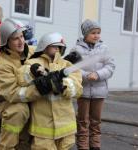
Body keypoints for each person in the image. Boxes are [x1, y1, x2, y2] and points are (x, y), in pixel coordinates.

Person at [17, 32, 83, 150]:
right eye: (54, 46)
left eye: (60, 47)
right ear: (44, 46)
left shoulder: (67, 65)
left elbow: (78, 88)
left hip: (66, 125)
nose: (58, 49)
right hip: (43, 127)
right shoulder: (33, 62)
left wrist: (63, 84)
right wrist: (33, 72)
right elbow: (22, 77)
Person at [69, 19, 115, 150]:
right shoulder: (76, 49)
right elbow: (73, 67)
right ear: (85, 34)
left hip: (99, 93)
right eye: (93, 33)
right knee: (83, 121)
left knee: (96, 121)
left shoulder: (104, 48)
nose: (96, 36)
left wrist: (98, 74)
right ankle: (83, 146)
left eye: (98, 33)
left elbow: (110, 66)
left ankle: (95, 146)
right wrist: (85, 75)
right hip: (83, 92)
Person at [0, 18, 39, 150]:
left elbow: (49, 56)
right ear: (6, 41)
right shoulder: (2, 64)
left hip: (29, 96)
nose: (21, 41)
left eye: (22, 36)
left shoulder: (32, 52)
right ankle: (6, 145)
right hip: (7, 100)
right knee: (19, 111)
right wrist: (38, 90)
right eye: (15, 39)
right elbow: (13, 93)